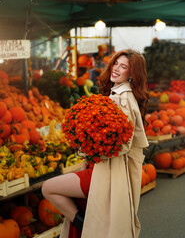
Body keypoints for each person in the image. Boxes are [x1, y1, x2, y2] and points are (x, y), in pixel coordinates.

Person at [41, 49, 149, 238]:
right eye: (116, 63)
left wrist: (86, 146)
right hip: (102, 169)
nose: (116, 68)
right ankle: (86, 224)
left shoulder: (121, 98)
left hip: (105, 173)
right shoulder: (122, 94)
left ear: (132, 74)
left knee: (48, 188)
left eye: (123, 67)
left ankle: (84, 224)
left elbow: (122, 144)